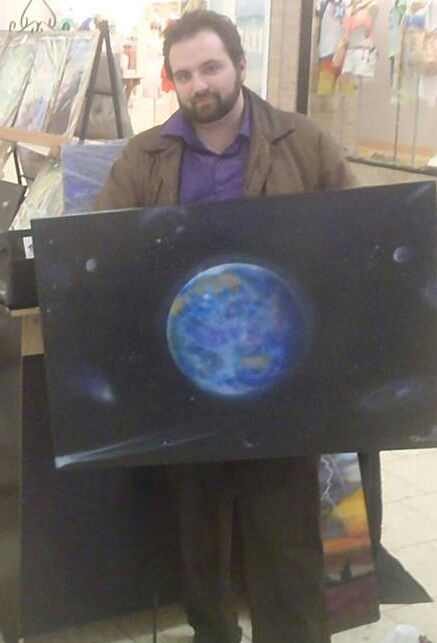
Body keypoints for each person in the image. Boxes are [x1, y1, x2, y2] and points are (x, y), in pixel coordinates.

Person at [95, 10, 357, 643]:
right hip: (186, 381)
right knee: (199, 545)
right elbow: (102, 249)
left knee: (287, 543)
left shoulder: (304, 142)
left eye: (210, 68)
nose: (199, 85)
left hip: (284, 384)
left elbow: (356, 241)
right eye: (183, 75)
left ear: (240, 64)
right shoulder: (145, 156)